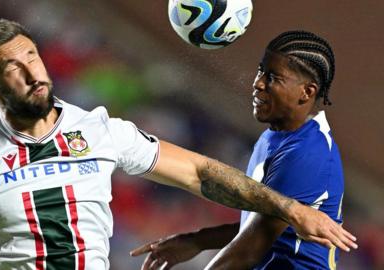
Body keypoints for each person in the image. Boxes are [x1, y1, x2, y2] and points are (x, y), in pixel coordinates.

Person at [0, 20, 355, 270]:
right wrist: (203, 237)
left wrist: (290, 208)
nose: (33, 73)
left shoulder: (98, 130)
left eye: (32, 56)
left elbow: (201, 173)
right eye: (13, 68)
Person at [131, 30, 349, 270]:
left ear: (306, 91)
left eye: (273, 78)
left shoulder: (308, 154)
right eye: (260, 71)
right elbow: (266, 224)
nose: (258, 83)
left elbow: (250, 248)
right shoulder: (277, 136)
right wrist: (197, 241)